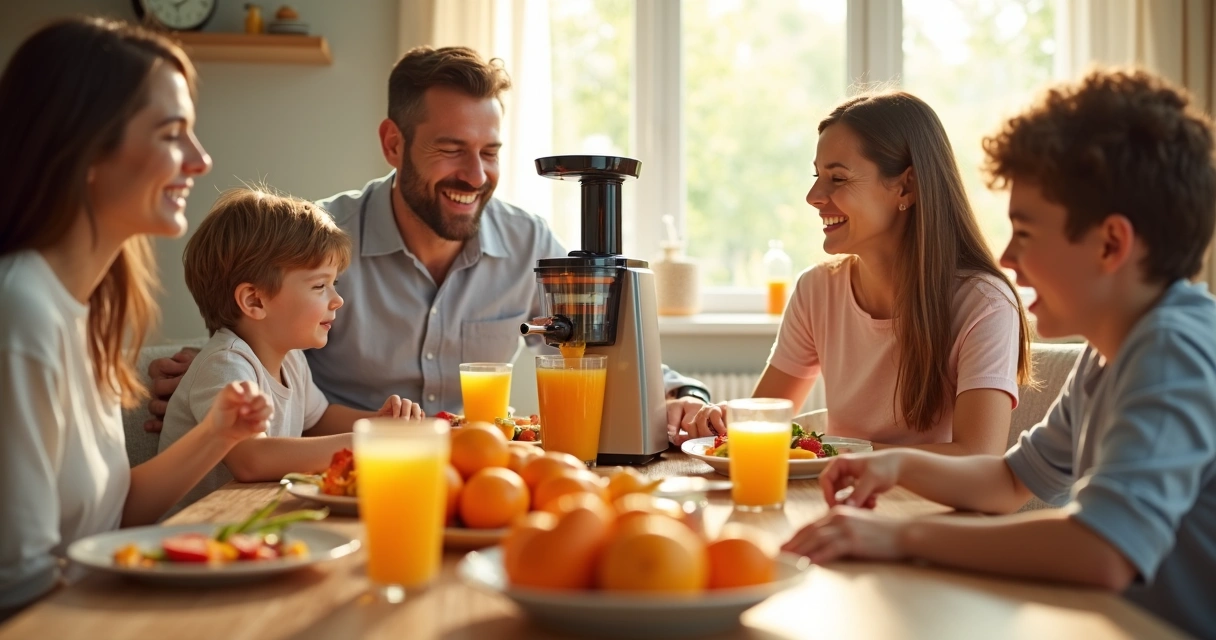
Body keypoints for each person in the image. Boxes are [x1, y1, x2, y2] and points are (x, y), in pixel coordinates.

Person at [782, 69, 1216, 638]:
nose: (1007, 258)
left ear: (1111, 244)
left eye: (1027, 234)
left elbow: (1104, 549)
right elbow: (1010, 483)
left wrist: (898, 536)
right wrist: (895, 464)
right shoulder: (1106, 356)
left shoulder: (1171, 352)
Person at [144, 46, 710, 434]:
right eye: (450, 149)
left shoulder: (526, 241)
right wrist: (207, 375)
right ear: (393, 144)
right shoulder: (317, 244)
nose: (476, 175)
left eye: (489, 152)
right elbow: (251, 344)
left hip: (475, 476)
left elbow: (598, 344)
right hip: (335, 481)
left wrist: (683, 396)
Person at [0, 18, 272, 614]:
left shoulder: (85, 311)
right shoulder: (20, 317)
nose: (200, 160)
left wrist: (217, 433)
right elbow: (17, 589)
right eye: (172, 134)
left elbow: (112, 515)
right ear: (84, 148)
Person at [676, 91, 1032, 455]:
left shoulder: (984, 304)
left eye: (838, 178)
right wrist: (720, 421)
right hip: (841, 503)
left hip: (932, 509)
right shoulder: (817, 289)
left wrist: (837, 453)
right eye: (817, 175)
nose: (814, 195)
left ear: (906, 186)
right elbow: (762, 422)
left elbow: (978, 457)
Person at [157, 189, 424, 515]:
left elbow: (318, 418)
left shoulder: (292, 359)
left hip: (256, 524)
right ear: (254, 301)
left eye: (334, 283)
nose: (337, 299)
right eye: (319, 286)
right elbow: (252, 460)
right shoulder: (225, 364)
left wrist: (379, 425)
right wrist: (370, 444)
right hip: (199, 536)